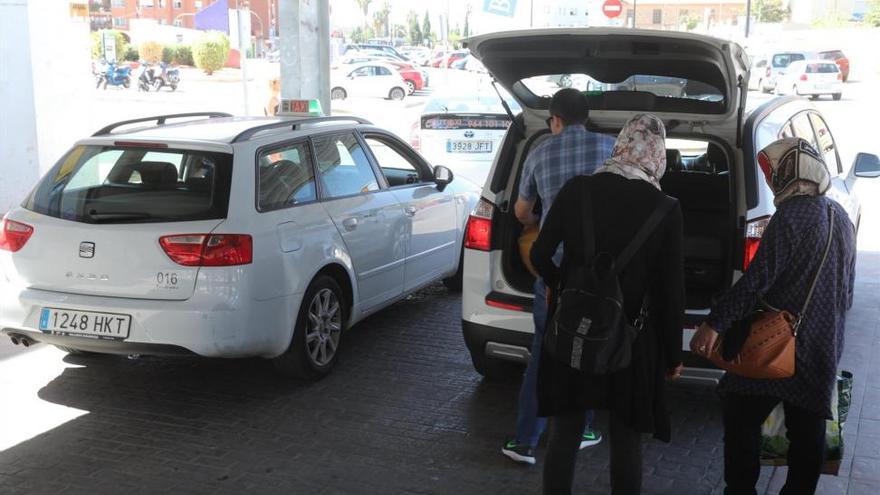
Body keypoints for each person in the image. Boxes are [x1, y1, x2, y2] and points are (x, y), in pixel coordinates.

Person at [690, 137, 857, 495]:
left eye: (774, 172)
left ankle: (740, 490)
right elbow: (847, 292)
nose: (771, 180)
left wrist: (714, 324)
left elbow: (757, 281)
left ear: (793, 173)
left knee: (740, 415)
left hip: (776, 340)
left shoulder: (791, 217)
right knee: (808, 429)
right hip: (822, 345)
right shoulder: (841, 216)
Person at [531, 113, 685, 494]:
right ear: (656, 153)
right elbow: (670, 290)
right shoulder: (666, 208)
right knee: (626, 437)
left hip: (571, 332)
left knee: (565, 430)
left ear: (621, 142)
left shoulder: (577, 189)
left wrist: (557, 285)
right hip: (631, 341)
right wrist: (672, 353)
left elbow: (539, 253)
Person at [502, 88, 616, 466]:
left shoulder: (539, 152)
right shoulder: (612, 148)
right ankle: (582, 428)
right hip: (600, 275)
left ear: (555, 120)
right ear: (586, 117)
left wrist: (539, 220)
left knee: (544, 351)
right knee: (587, 348)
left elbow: (521, 211)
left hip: (553, 272)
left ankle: (524, 441)